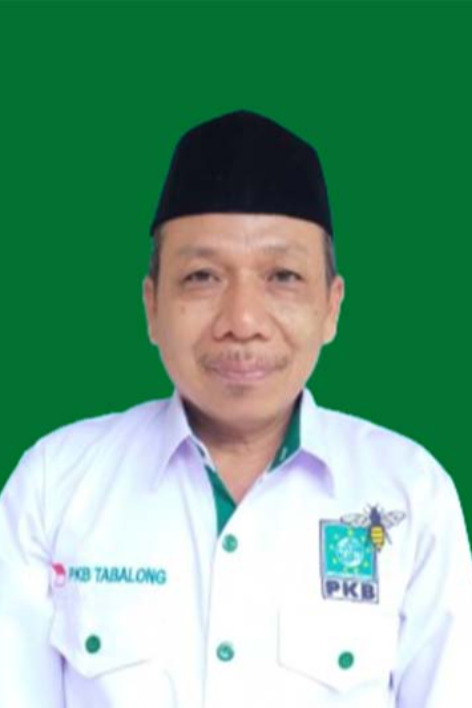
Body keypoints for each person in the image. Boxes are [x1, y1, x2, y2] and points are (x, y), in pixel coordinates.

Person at [0, 109, 471, 708]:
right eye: (202, 276)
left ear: (332, 307)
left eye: (283, 276)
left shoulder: (411, 495)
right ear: (151, 306)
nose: (242, 321)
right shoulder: (55, 486)